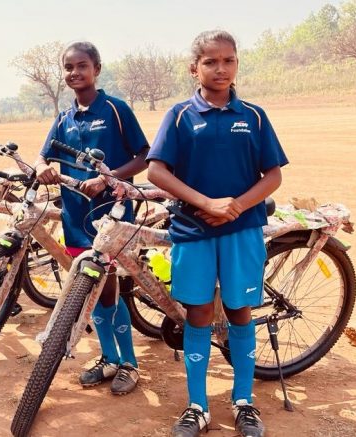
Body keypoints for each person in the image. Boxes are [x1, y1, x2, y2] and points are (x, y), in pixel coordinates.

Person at [146, 30, 288, 437]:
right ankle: (198, 405)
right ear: (195, 68)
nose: (220, 68)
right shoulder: (178, 115)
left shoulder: (254, 116)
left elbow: (273, 173)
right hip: (193, 230)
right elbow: (156, 171)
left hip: (242, 228)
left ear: (237, 64)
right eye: (211, 61)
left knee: (240, 310)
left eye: (228, 60)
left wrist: (237, 205)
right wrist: (207, 203)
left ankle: (243, 401)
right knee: (199, 313)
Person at [34, 41, 149, 395]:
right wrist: (42, 170)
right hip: (74, 215)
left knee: (108, 287)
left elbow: (144, 155)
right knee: (92, 291)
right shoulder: (64, 118)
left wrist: (110, 177)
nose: (74, 73)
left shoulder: (115, 109)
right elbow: (43, 157)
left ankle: (127, 362)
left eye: (81, 66)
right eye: (68, 67)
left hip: (109, 217)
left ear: (96, 68)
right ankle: (108, 358)